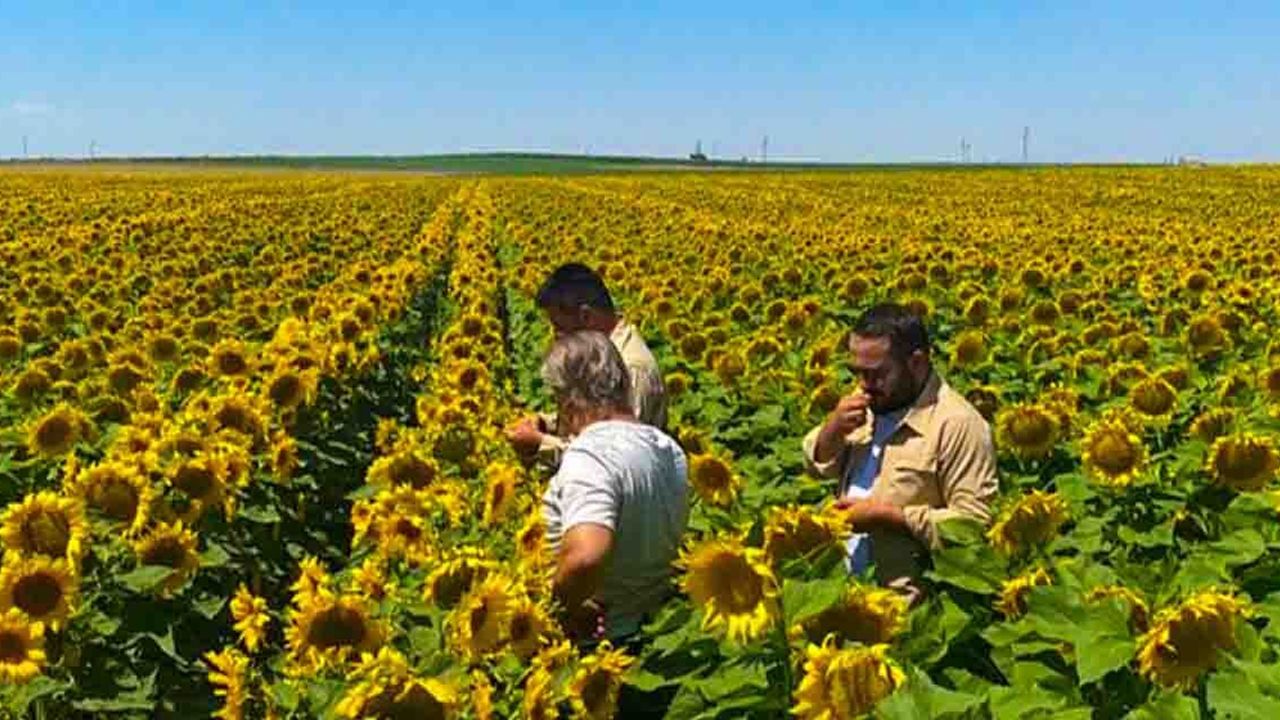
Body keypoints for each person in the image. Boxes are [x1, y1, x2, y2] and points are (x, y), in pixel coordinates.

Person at [802, 303, 997, 604]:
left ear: (916, 362)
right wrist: (832, 428)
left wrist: (888, 517)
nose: (864, 384)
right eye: (857, 372)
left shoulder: (957, 424)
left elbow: (974, 527)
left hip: (907, 609)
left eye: (877, 373)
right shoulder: (869, 400)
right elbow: (817, 467)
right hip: (844, 595)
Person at [539, 330, 689, 644]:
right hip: (657, 626)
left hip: (601, 642)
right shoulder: (667, 448)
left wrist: (562, 607)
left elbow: (585, 557)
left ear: (569, 399)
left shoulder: (591, 455)